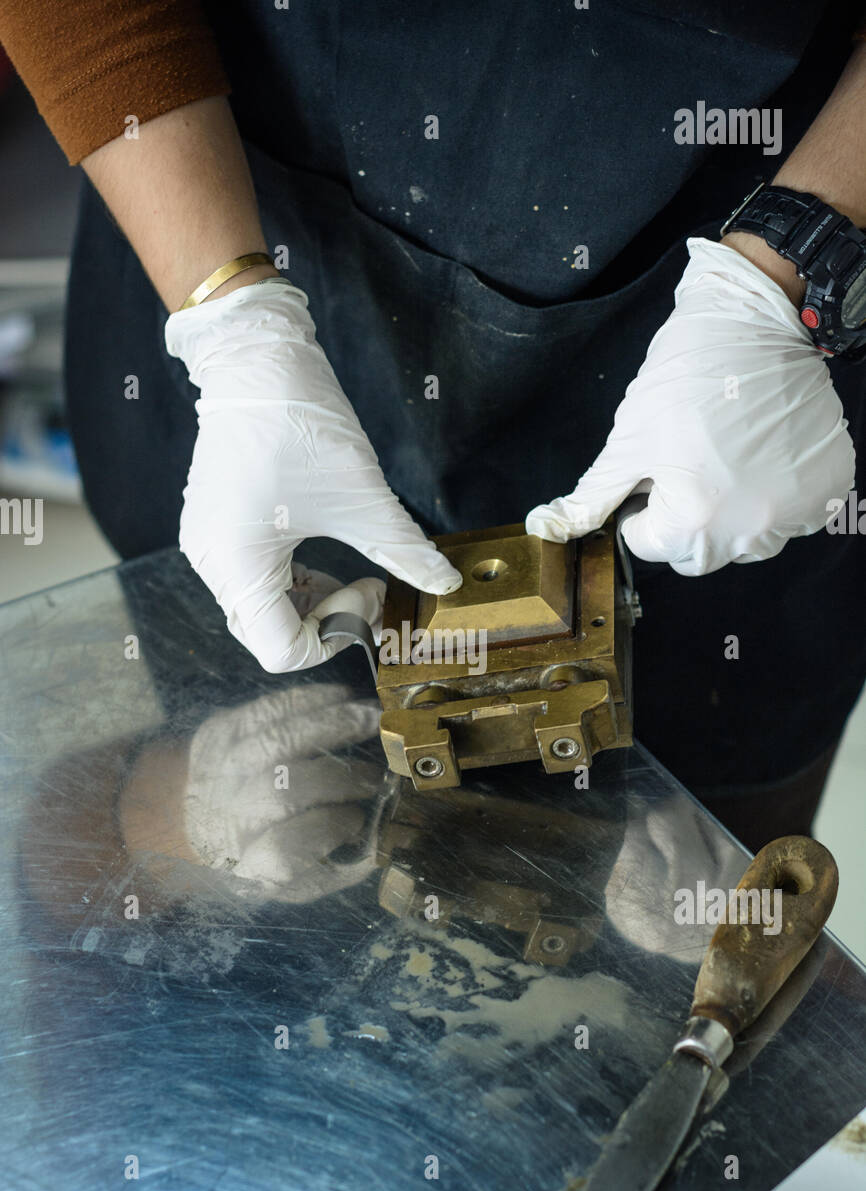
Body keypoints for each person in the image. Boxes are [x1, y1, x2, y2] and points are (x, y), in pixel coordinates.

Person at [1, 0, 865, 848]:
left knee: (704, 874)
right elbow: (70, 880)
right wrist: (231, 331)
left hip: (737, 372)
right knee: (251, 801)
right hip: (232, 229)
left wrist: (791, 272)